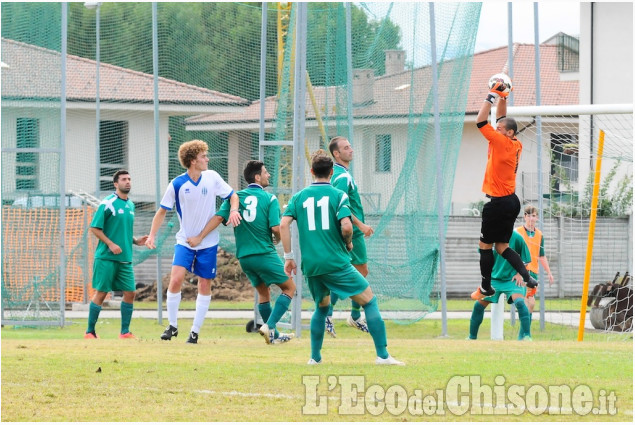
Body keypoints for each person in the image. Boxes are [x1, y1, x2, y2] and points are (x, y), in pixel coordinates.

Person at [280, 150, 404, 365]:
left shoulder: (298, 197)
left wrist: (288, 257)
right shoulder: (338, 195)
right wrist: (348, 242)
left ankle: (315, 358)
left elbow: (283, 224)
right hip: (335, 261)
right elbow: (346, 226)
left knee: (321, 306)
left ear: (312, 172)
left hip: (311, 265)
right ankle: (383, 356)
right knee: (370, 300)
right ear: (331, 173)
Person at [145, 140, 241, 344]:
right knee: (176, 279)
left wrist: (233, 210)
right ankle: (172, 326)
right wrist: (152, 235)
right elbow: (162, 211)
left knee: (204, 283)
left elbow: (233, 196)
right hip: (185, 241)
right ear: (192, 161)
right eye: (203, 156)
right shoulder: (177, 184)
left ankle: (195, 331)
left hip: (208, 242)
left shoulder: (212, 177)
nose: (207, 159)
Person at [211, 160, 296, 344]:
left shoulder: (236, 197)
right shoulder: (270, 198)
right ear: (257, 177)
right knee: (290, 288)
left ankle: (273, 337)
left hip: (244, 257)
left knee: (264, 293)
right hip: (264, 253)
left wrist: (199, 236)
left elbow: (219, 217)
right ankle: (269, 326)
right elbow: (275, 227)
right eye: (266, 173)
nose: (268, 175)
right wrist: (280, 238)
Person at [472, 78, 538, 300]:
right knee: (502, 246)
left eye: (499, 129)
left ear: (508, 133)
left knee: (484, 246)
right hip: (511, 201)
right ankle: (526, 275)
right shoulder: (515, 143)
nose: (495, 128)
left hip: (498, 203)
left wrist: (491, 95)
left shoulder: (500, 142)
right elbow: (501, 118)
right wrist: (504, 97)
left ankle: (485, 287)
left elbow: (481, 121)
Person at [85, 170, 148, 339]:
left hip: (125, 259)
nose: (127, 182)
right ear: (115, 184)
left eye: (129, 179)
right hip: (106, 257)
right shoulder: (108, 203)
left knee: (130, 292)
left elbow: (122, 231)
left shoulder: (131, 205)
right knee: (102, 293)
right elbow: (94, 228)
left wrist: (136, 241)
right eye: (123, 179)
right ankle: (90, 332)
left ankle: (125, 332)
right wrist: (110, 244)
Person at [324, 136, 374, 336]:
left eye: (350, 146)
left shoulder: (338, 173)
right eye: (346, 148)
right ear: (336, 154)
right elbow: (340, 204)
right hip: (351, 231)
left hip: (347, 230)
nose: (351, 150)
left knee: (354, 272)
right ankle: (346, 315)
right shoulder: (342, 176)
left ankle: (346, 315)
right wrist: (360, 224)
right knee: (359, 273)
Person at [468, 230, 533, 340]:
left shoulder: (517, 238)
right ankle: (472, 337)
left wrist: (519, 274)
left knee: (520, 303)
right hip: (494, 280)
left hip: (511, 280)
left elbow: (526, 260)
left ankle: (527, 336)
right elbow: (484, 258)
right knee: (478, 306)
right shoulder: (489, 236)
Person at [516, 205, 554, 333]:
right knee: (524, 302)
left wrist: (549, 273)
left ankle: (525, 331)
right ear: (525, 217)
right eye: (529, 215)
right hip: (520, 272)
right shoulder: (517, 232)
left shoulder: (539, 235)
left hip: (533, 273)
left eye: (534, 216)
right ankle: (525, 333)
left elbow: (541, 256)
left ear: (537, 217)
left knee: (530, 304)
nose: (531, 218)